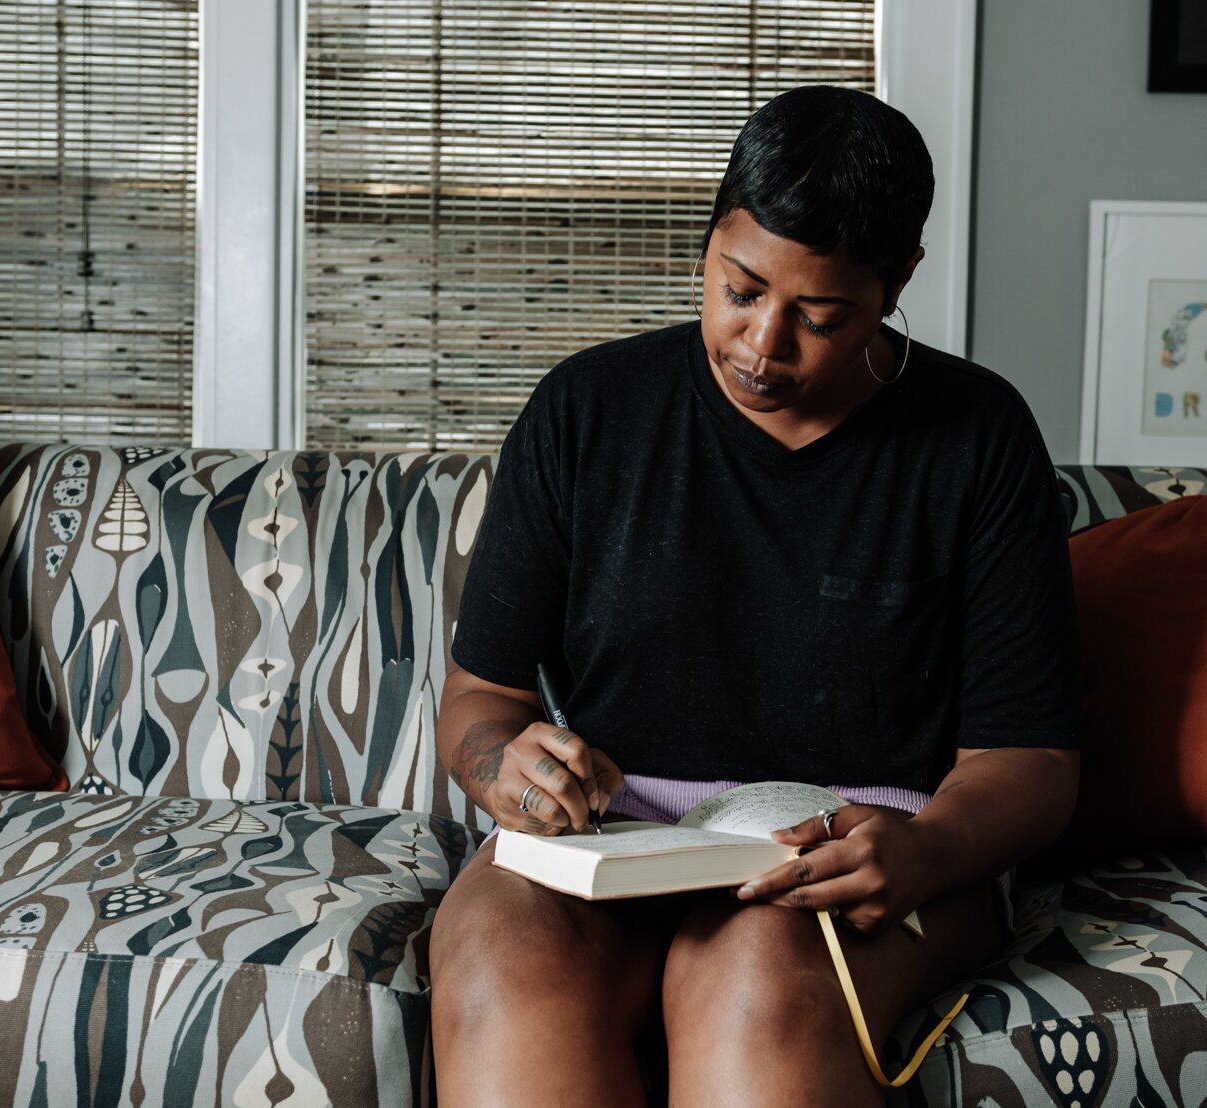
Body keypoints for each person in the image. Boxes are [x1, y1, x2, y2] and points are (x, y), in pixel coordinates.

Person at [427, 85, 1083, 1107]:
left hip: (869, 847)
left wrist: (928, 849)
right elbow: (479, 705)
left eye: (820, 318)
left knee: (747, 976)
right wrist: (507, 773)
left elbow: (1029, 762)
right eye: (739, 289)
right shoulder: (586, 411)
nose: (761, 346)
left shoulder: (977, 437)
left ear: (898, 281)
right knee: (494, 967)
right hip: (614, 842)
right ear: (707, 242)